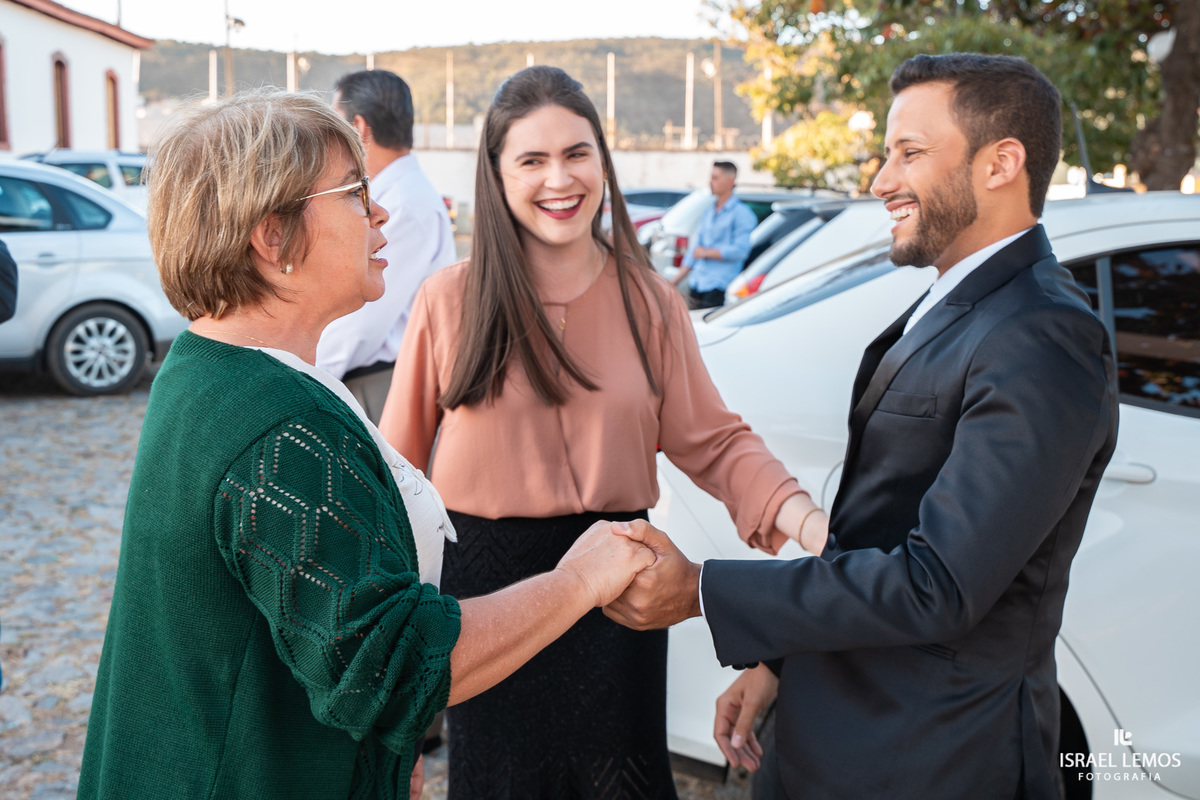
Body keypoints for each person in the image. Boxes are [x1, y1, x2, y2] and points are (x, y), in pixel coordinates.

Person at [77, 90, 656, 800]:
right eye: (355, 193)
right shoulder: (276, 427)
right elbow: (392, 669)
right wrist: (579, 581)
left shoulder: (218, 370)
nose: (380, 213)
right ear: (273, 236)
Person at [605, 53, 1118, 800]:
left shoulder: (1045, 334)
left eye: (909, 153)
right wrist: (777, 661)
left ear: (1002, 163)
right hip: (840, 724)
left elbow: (936, 584)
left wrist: (704, 593)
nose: (881, 181)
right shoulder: (956, 298)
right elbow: (876, 529)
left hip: (928, 756)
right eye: (887, 154)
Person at [378, 66, 826, 800]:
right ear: (496, 175)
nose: (560, 178)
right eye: (532, 159)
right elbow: (392, 485)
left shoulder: (651, 303)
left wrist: (809, 523)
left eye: (577, 153)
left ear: (602, 162)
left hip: (620, 592)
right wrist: (394, 707)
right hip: (485, 601)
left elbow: (713, 441)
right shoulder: (448, 300)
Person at [316, 69, 456, 424]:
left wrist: (303, 375)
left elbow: (361, 324)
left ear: (359, 128)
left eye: (336, 123)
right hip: (366, 378)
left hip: (378, 384)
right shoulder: (397, 194)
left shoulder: (406, 205)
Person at [670, 161, 757, 309]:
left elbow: (740, 251)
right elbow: (696, 249)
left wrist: (707, 253)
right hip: (698, 282)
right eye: (711, 177)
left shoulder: (741, 214)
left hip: (719, 285)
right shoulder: (709, 212)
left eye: (715, 178)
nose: (711, 182)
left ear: (730, 181)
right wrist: (674, 281)